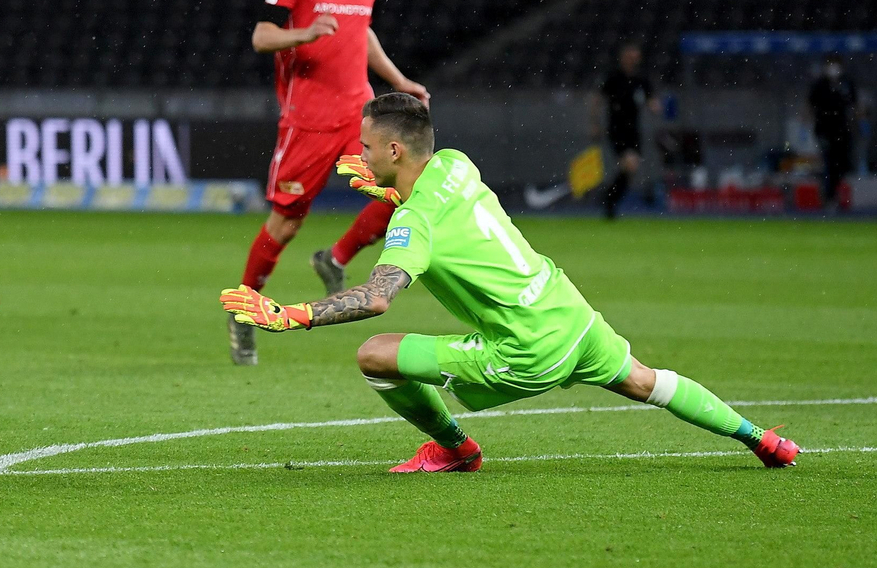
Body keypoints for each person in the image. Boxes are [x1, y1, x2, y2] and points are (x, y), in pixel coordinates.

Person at [221, 93, 800, 472]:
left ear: (394, 150)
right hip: (567, 312)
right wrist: (387, 186)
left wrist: (292, 315)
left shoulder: (412, 224)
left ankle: (456, 450)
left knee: (375, 355)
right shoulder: (456, 163)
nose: (361, 155)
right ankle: (762, 440)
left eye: (367, 148)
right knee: (644, 380)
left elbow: (376, 298)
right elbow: (436, 202)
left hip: (526, 348)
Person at [235, 0, 429, 366]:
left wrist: (399, 81)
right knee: (286, 224)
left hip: (359, 117)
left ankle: (336, 258)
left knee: (402, 195)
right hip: (307, 122)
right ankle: (244, 310)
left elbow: (362, 34)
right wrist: (307, 31)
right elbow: (261, 36)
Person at [590, 42, 659, 219]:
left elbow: (652, 100)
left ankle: (610, 199)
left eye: (635, 57)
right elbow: (597, 100)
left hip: (634, 131)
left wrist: (655, 106)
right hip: (617, 129)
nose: (633, 60)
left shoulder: (641, 79)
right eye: (630, 57)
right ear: (623, 57)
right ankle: (609, 199)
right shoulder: (613, 77)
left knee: (630, 169)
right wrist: (595, 124)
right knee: (630, 164)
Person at [808, 54, 858, 209]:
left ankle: (833, 192)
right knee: (829, 163)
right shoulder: (820, 85)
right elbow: (811, 105)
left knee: (842, 164)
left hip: (842, 131)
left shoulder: (846, 83)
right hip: (824, 130)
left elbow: (853, 104)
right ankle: (828, 196)